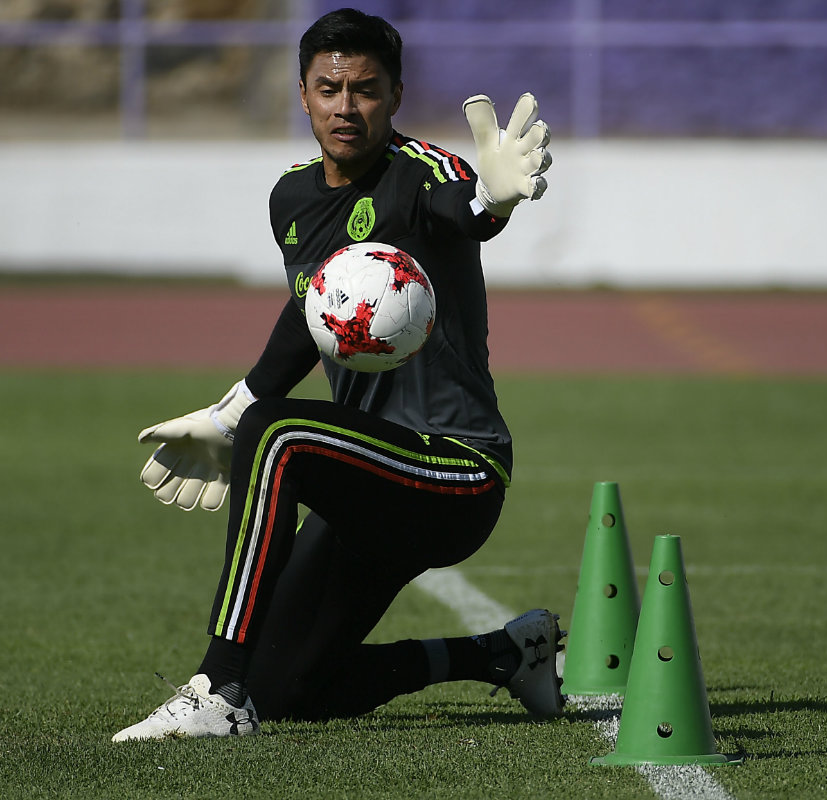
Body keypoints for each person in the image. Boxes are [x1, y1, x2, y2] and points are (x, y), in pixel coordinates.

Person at [112, 7, 557, 742]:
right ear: (303, 93)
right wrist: (230, 412)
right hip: (368, 478)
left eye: (366, 89)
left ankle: (215, 688)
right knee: (286, 688)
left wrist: (491, 198)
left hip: (456, 471)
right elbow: (311, 315)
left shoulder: (425, 175)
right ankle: (503, 654)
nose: (345, 106)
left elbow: (463, 208)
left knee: (280, 435)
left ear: (396, 96)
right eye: (329, 88)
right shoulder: (291, 198)